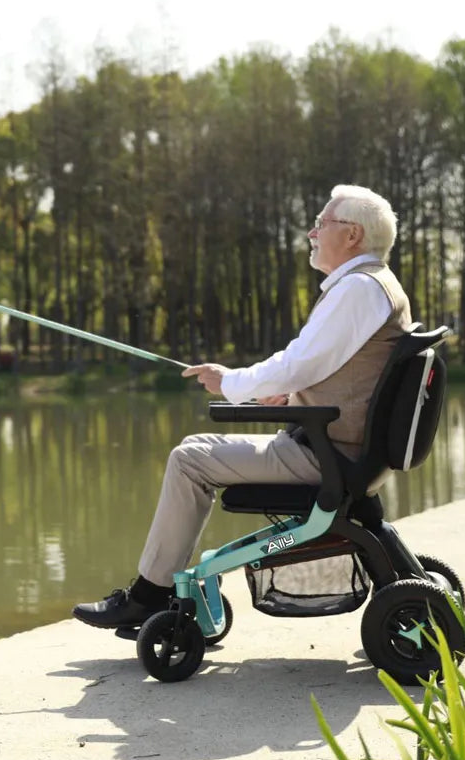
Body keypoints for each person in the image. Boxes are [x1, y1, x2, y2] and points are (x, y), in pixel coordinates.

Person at [72, 184, 411, 629]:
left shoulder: (357, 290)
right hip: (339, 446)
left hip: (326, 452)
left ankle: (149, 595)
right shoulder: (372, 286)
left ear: (351, 235)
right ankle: (158, 588)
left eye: (321, 224)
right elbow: (325, 369)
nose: (311, 233)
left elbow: (296, 363)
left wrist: (231, 382)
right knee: (196, 445)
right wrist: (282, 395)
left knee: (187, 460)